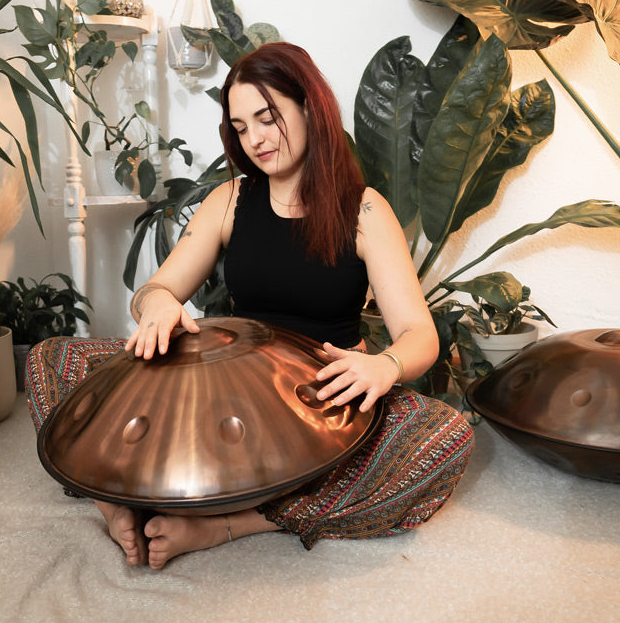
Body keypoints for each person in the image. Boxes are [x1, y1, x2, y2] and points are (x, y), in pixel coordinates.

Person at [26, 42, 474, 571]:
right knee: (53, 359)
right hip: (223, 388)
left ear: (309, 108)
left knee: (445, 439)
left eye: (267, 118)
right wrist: (158, 305)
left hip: (319, 401)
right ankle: (112, 500)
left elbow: (419, 334)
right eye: (240, 127)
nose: (255, 139)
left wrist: (385, 364)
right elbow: (157, 288)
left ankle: (229, 522)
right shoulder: (230, 200)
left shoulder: (365, 210)